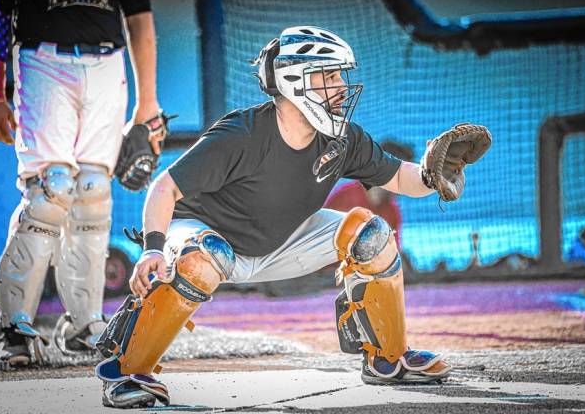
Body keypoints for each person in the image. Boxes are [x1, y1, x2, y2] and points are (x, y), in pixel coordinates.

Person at [95, 26, 456, 409]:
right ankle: (127, 371)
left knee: (372, 235)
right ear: (294, 80)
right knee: (201, 258)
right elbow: (164, 188)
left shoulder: (343, 138)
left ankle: (389, 359)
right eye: (330, 75)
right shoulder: (241, 134)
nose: (341, 86)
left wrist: (433, 176)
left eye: (339, 76)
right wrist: (152, 250)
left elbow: (400, 176)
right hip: (206, 238)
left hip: (280, 243)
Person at [0, 0, 164, 369]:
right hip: (42, 59)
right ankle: (14, 325)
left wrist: (148, 103)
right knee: (51, 192)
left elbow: (138, 13)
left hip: (108, 64)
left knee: (94, 192)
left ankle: (84, 324)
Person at [324, 140, 414, 247]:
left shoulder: (392, 211)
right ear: (387, 170)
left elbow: (395, 253)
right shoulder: (345, 198)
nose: (407, 182)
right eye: (402, 175)